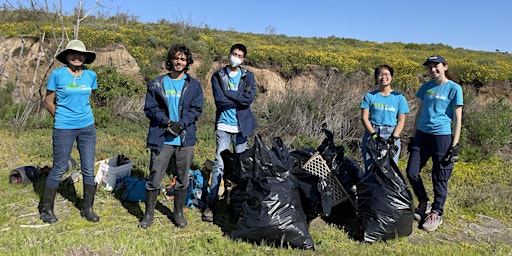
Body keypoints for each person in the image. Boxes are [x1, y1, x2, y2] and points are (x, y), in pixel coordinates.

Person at [140, 44, 204, 229]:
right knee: (154, 177)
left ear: (187, 62)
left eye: (183, 59)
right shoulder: (157, 84)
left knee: (183, 178)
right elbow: (150, 109)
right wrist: (167, 123)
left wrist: (181, 124)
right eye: (176, 58)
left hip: (184, 138)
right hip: (162, 137)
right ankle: (149, 214)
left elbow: (196, 110)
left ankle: (178, 213)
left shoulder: (194, 86)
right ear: (170, 60)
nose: (179, 62)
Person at [40, 39, 99, 223]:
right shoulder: (57, 75)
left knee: (88, 168)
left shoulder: (90, 76)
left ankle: (87, 208)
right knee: (58, 167)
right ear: (66, 56)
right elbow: (49, 101)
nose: (77, 56)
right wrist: (61, 118)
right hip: (64, 127)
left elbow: (88, 98)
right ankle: (46, 209)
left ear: (85, 57)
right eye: (72, 53)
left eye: (80, 54)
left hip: (87, 127)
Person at [406, 55, 463, 232]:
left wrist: (454, 145)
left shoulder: (454, 88)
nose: (432, 69)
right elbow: (419, 113)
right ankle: (423, 202)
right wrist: (414, 136)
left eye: (436, 66)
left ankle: (436, 212)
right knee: (412, 171)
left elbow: (458, 118)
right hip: (422, 135)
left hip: (442, 136)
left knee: (440, 176)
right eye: (429, 67)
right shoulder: (426, 87)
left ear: (445, 67)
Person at [203, 43, 257, 222]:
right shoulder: (218, 75)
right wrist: (237, 98)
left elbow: (248, 100)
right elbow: (220, 101)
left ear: (243, 59)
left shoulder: (247, 76)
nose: (236, 57)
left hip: (241, 127)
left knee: (240, 167)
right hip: (224, 126)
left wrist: (229, 94)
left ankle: (238, 202)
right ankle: (211, 203)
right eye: (234, 53)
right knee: (219, 164)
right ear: (229, 54)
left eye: (240, 55)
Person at [360, 64, 409, 171]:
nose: (383, 77)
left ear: (391, 77)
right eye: (380, 75)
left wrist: (394, 137)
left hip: (391, 134)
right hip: (372, 133)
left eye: (386, 74)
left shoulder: (399, 98)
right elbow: (364, 118)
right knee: (370, 169)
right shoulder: (370, 96)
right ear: (376, 78)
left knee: (390, 170)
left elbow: (401, 121)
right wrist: (373, 135)